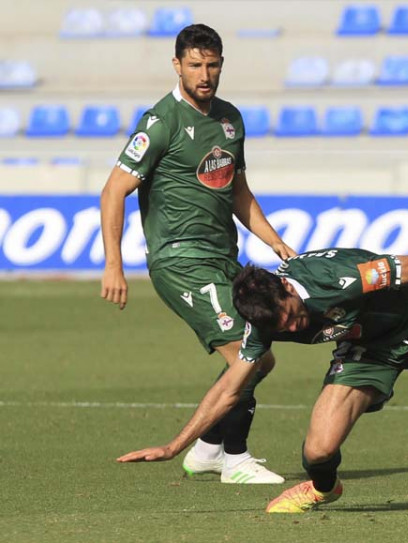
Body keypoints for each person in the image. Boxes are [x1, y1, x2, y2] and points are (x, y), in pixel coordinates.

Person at [117, 248, 408, 514]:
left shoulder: (336, 282)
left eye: (294, 318)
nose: (294, 329)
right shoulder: (262, 321)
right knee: (318, 450)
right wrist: (174, 446)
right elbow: (230, 387)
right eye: (283, 328)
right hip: (364, 351)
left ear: (290, 292)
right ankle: (323, 488)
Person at [100, 24, 296, 484]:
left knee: (256, 357)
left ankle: (207, 448)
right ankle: (235, 459)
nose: (204, 74)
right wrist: (114, 264)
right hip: (180, 260)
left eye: (211, 65)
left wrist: (273, 240)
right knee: (248, 357)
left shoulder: (230, 118)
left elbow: (239, 191)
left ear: (221, 65)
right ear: (177, 66)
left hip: (223, 256)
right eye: (194, 65)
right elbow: (113, 191)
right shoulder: (162, 120)